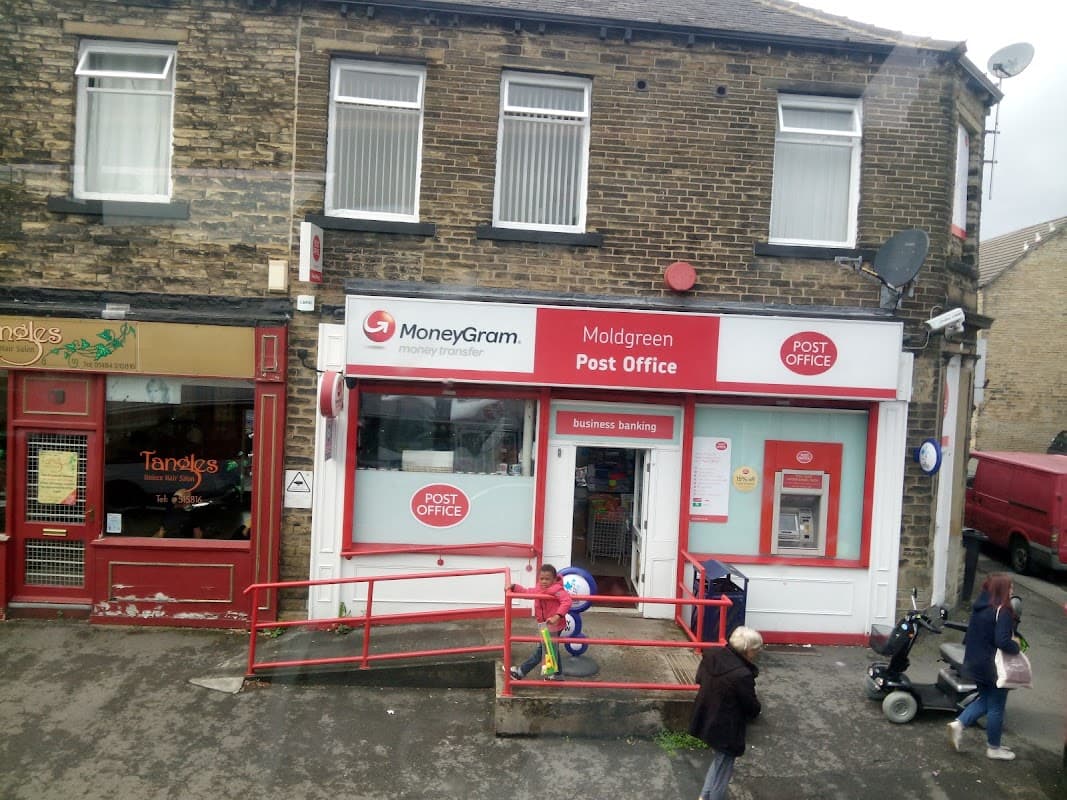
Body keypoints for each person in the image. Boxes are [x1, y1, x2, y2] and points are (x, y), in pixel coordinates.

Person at [947, 572, 1021, 760]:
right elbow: (1002, 641)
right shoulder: (1003, 611)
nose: (1012, 590)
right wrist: (1017, 646)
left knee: (985, 700)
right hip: (993, 667)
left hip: (975, 663)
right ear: (1002, 589)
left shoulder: (980, 607)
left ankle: (959, 724)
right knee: (996, 706)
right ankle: (993, 748)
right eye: (1010, 587)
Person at [689, 626, 763, 800]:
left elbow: (699, 679)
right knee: (723, 772)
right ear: (748, 651)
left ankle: (704, 797)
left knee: (719, 763)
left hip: (706, 716)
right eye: (756, 650)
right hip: (727, 727)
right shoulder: (742, 675)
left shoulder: (712, 654)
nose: (758, 653)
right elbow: (751, 707)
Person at [506, 564, 573, 680]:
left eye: (547, 579)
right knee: (552, 648)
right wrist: (514, 587)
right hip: (544, 624)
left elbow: (567, 601)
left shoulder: (557, 590)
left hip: (554, 625)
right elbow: (528, 592)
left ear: (554, 579)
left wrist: (557, 616)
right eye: (541, 579)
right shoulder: (539, 588)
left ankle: (520, 672)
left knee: (542, 651)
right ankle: (558, 675)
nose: (544, 581)